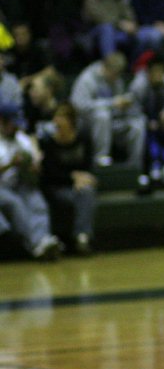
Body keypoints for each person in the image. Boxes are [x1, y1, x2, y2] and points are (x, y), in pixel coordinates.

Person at [0, 102, 60, 260]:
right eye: (13, 124)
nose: (17, 128)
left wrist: (34, 167)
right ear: (2, 121)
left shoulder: (22, 139)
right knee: (15, 204)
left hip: (21, 184)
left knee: (37, 201)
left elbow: (35, 167)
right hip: (2, 187)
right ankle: (36, 244)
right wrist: (10, 164)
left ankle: (44, 240)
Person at [38, 103, 97, 255]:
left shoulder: (83, 138)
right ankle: (79, 236)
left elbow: (89, 165)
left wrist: (83, 177)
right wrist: (72, 178)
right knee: (82, 195)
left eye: (61, 117)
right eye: (55, 117)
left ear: (71, 121)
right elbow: (49, 175)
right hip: (57, 187)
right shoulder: (49, 142)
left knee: (86, 191)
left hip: (79, 185)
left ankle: (82, 238)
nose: (56, 121)